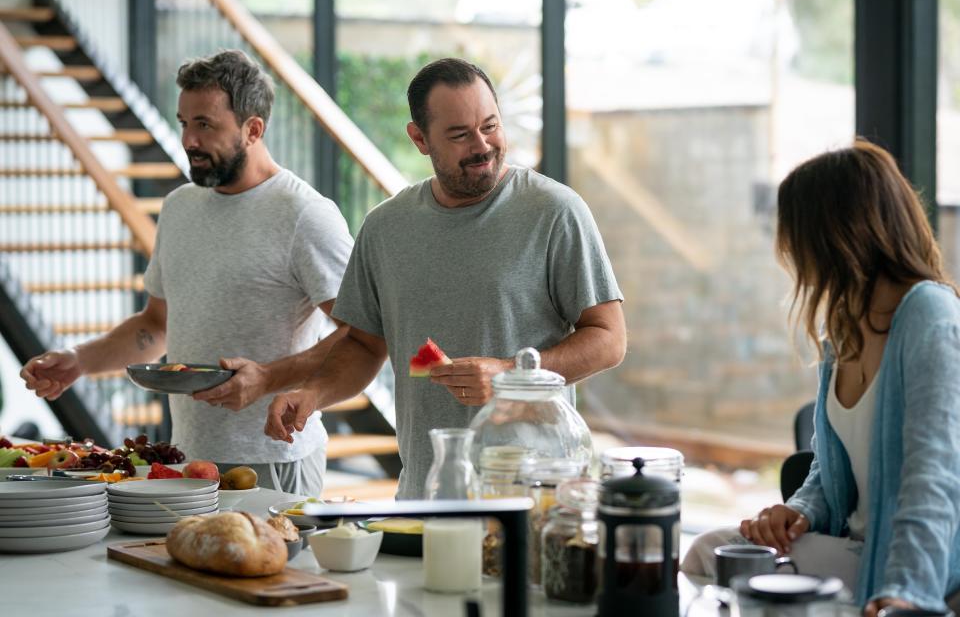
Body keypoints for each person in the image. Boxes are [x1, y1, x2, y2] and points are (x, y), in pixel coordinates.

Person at [259, 57, 626, 499]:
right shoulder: (385, 227)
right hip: (425, 492)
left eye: (490, 126)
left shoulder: (555, 211)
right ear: (419, 139)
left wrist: (513, 374)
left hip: (533, 494)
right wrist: (313, 394)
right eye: (459, 135)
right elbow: (363, 345)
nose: (482, 145)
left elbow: (609, 338)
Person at [19, 49, 354, 495]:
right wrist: (80, 361)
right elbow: (154, 326)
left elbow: (362, 333)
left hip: (274, 458)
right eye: (184, 123)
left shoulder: (306, 215)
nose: (189, 140)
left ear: (253, 129)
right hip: (186, 458)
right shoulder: (179, 207)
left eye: (205, 125)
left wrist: (268, 379)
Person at [681, 140, 960, 615]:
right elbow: (829, 467)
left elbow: (934, 475)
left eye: (793, 232)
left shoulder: (928, 314)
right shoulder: (845, 328)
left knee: (721, 569)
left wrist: (907, 591)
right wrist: (800, 510)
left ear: (834, 234)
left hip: (912, 563)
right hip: (853, 547)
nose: (786, 249)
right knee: (711, 553)